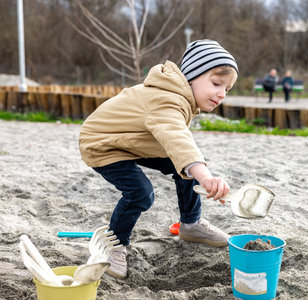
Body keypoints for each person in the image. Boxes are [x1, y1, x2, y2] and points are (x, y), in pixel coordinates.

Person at [78, 39, 238, 279]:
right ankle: (114, 244)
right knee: (141, 193)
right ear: (191, 76)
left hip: (133, 140)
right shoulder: (167, 99)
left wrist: (197, 170)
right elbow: (176, 138)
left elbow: (178, 143)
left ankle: (191, 225)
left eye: (227, 89)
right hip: (103, 144)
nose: (221, 94)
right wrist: (205, 177)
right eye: (216, 83)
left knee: (185, 166)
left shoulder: (181, 97)